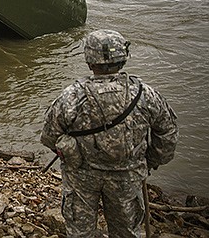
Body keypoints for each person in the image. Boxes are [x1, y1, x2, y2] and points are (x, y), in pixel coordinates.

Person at [41, 29, 178, 238]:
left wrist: (73, 154)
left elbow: (50, 135)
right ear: (123, 59)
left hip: (82, 176)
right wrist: (148, 162)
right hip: (127, 176)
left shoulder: (71, 96)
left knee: (80, 233)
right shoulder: (145, 94)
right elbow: (167, 136)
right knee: (127, 233)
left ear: (89, 61)